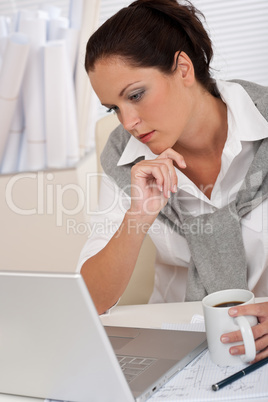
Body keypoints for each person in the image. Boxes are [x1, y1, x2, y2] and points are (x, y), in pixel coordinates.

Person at [79, 0, 268, 363]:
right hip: (174, 348)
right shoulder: (125, 158)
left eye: (135, 95)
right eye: (113, 108)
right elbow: (91, 298)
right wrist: (138, 215)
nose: (128, 121)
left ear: (183, 68)